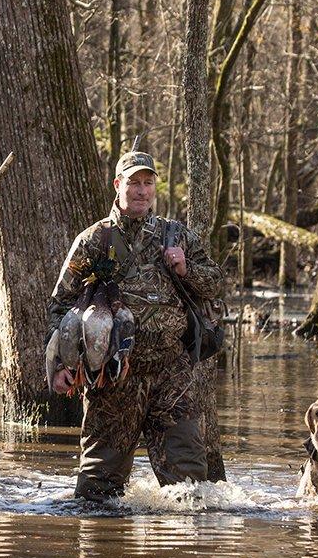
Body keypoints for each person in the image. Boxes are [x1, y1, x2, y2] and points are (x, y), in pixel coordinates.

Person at [47, 150, 224, 502]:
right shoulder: (95, 239)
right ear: (118, 186)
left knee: (190, 485)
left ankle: (183, 553)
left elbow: (215, 283)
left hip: (171, 371)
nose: (142, 191)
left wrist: (186, 269)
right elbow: (61, 304)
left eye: (148, 183)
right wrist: (59, 363)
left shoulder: (176, 236)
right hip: (114, 374)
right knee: (98, 489)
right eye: (134, 183)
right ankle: (103, 549)